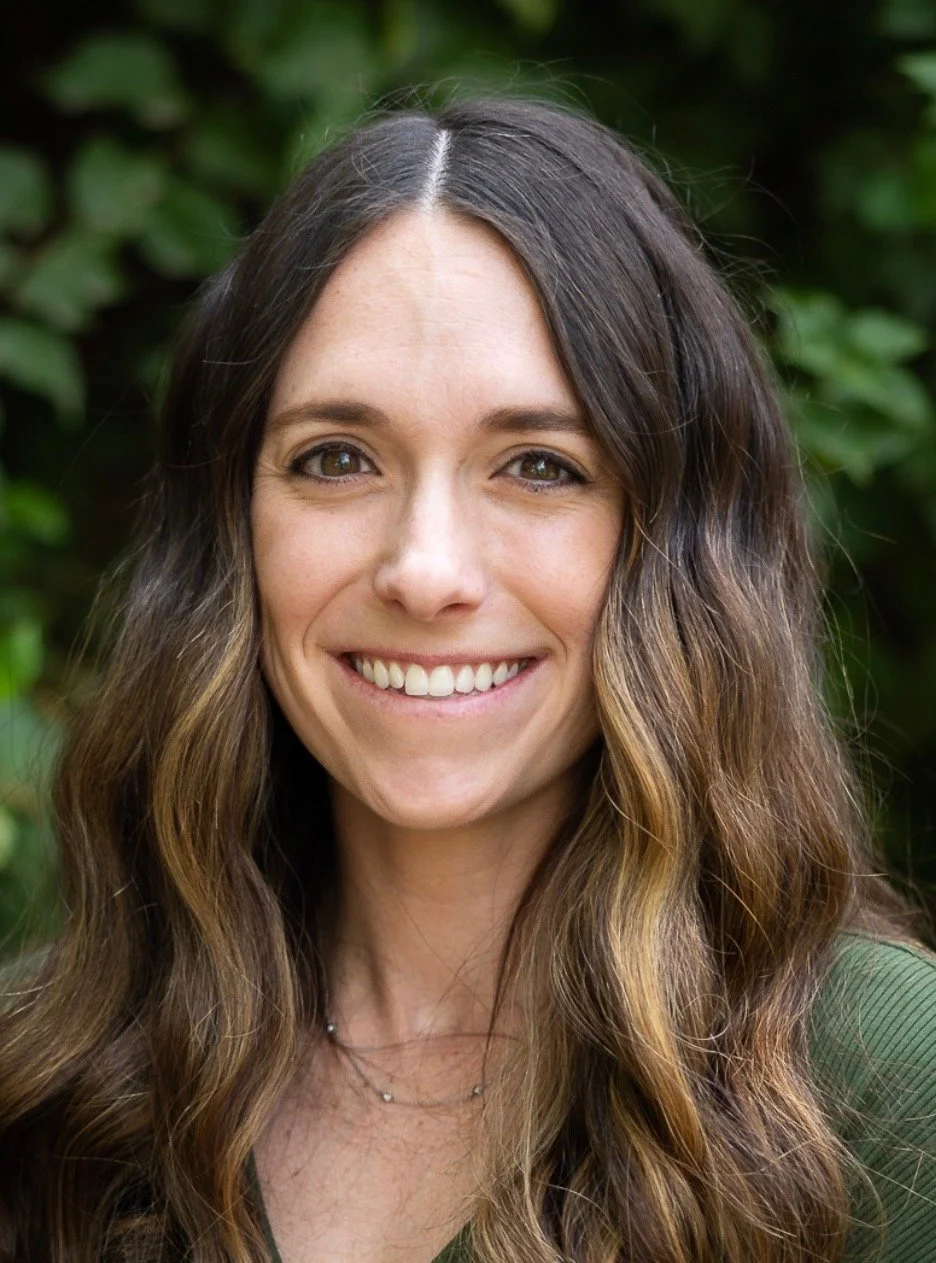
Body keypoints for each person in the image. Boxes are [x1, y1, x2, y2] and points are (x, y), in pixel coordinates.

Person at [0, 96, 934, 1263]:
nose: (425, 570)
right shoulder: (48, 1088)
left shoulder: (886, 1094)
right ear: (231, 529)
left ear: (674, 542)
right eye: (335, 460)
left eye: (538, 466)